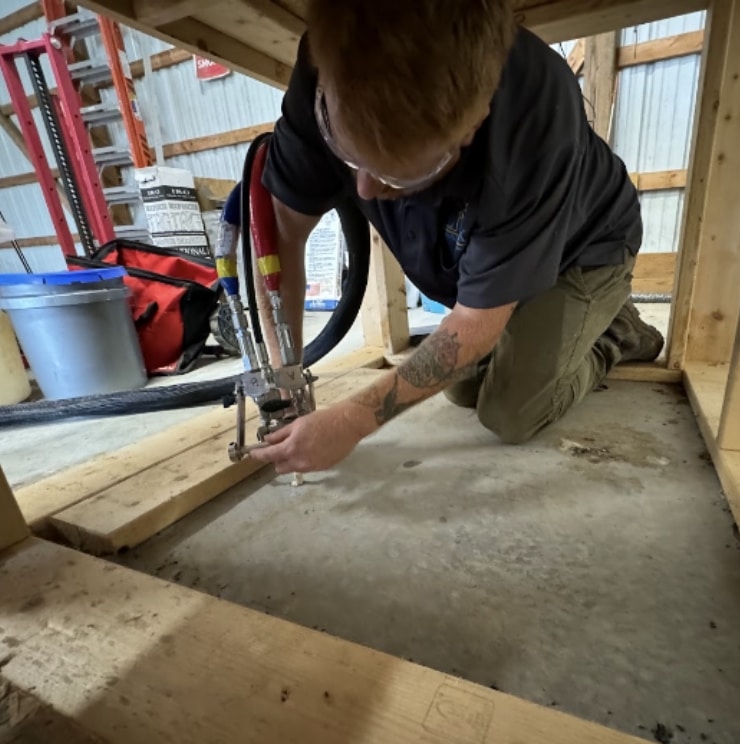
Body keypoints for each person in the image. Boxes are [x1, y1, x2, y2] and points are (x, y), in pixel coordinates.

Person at [251, 0, 663, 476]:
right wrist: (285, 376)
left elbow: (473, 322)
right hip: (509, 254)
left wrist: (349, 422)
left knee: (510, 413)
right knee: (461, 388)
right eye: (346, 154)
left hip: (586, 248)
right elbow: (282, 238)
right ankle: (538, 320)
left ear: (472, 125)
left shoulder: (533, 117)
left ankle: (617, 330)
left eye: (395, 177)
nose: (362, 190)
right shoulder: (328, 64)